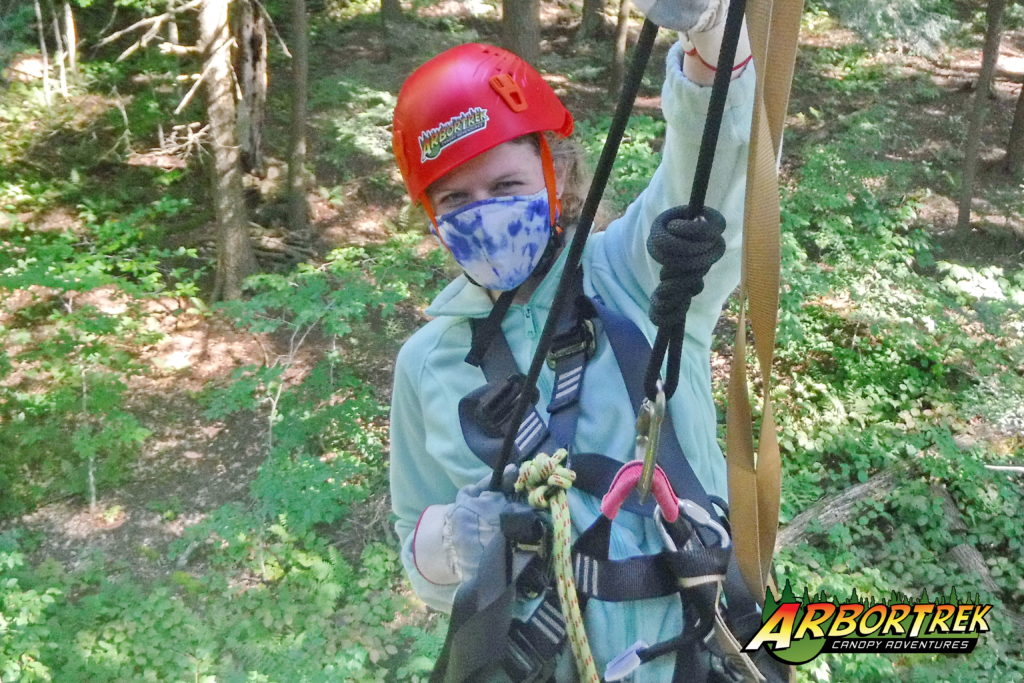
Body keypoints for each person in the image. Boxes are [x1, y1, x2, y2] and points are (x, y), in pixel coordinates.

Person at [389, 2, 757, 680]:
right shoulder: (428, 365)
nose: (486, 217)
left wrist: (708, 36)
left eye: (505, 186)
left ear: (555, 175)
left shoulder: (632, 277)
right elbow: (415, 544)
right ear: (432, 219)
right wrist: (448, 542)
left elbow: (708, 176)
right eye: (456, 202)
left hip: (687, 657)